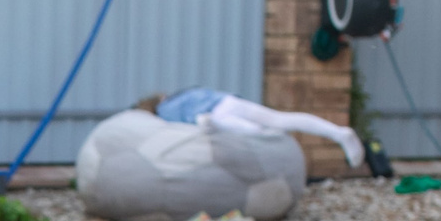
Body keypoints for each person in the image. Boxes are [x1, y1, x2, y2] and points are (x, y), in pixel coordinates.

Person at [141, 88, 368, 169]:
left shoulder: (164, 110)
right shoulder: (185, 93)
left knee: (258, 134)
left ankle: (274, 143)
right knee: (280, 119)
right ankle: (338, 133)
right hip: (230, 101)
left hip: (216, 115)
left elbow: (183, 124)